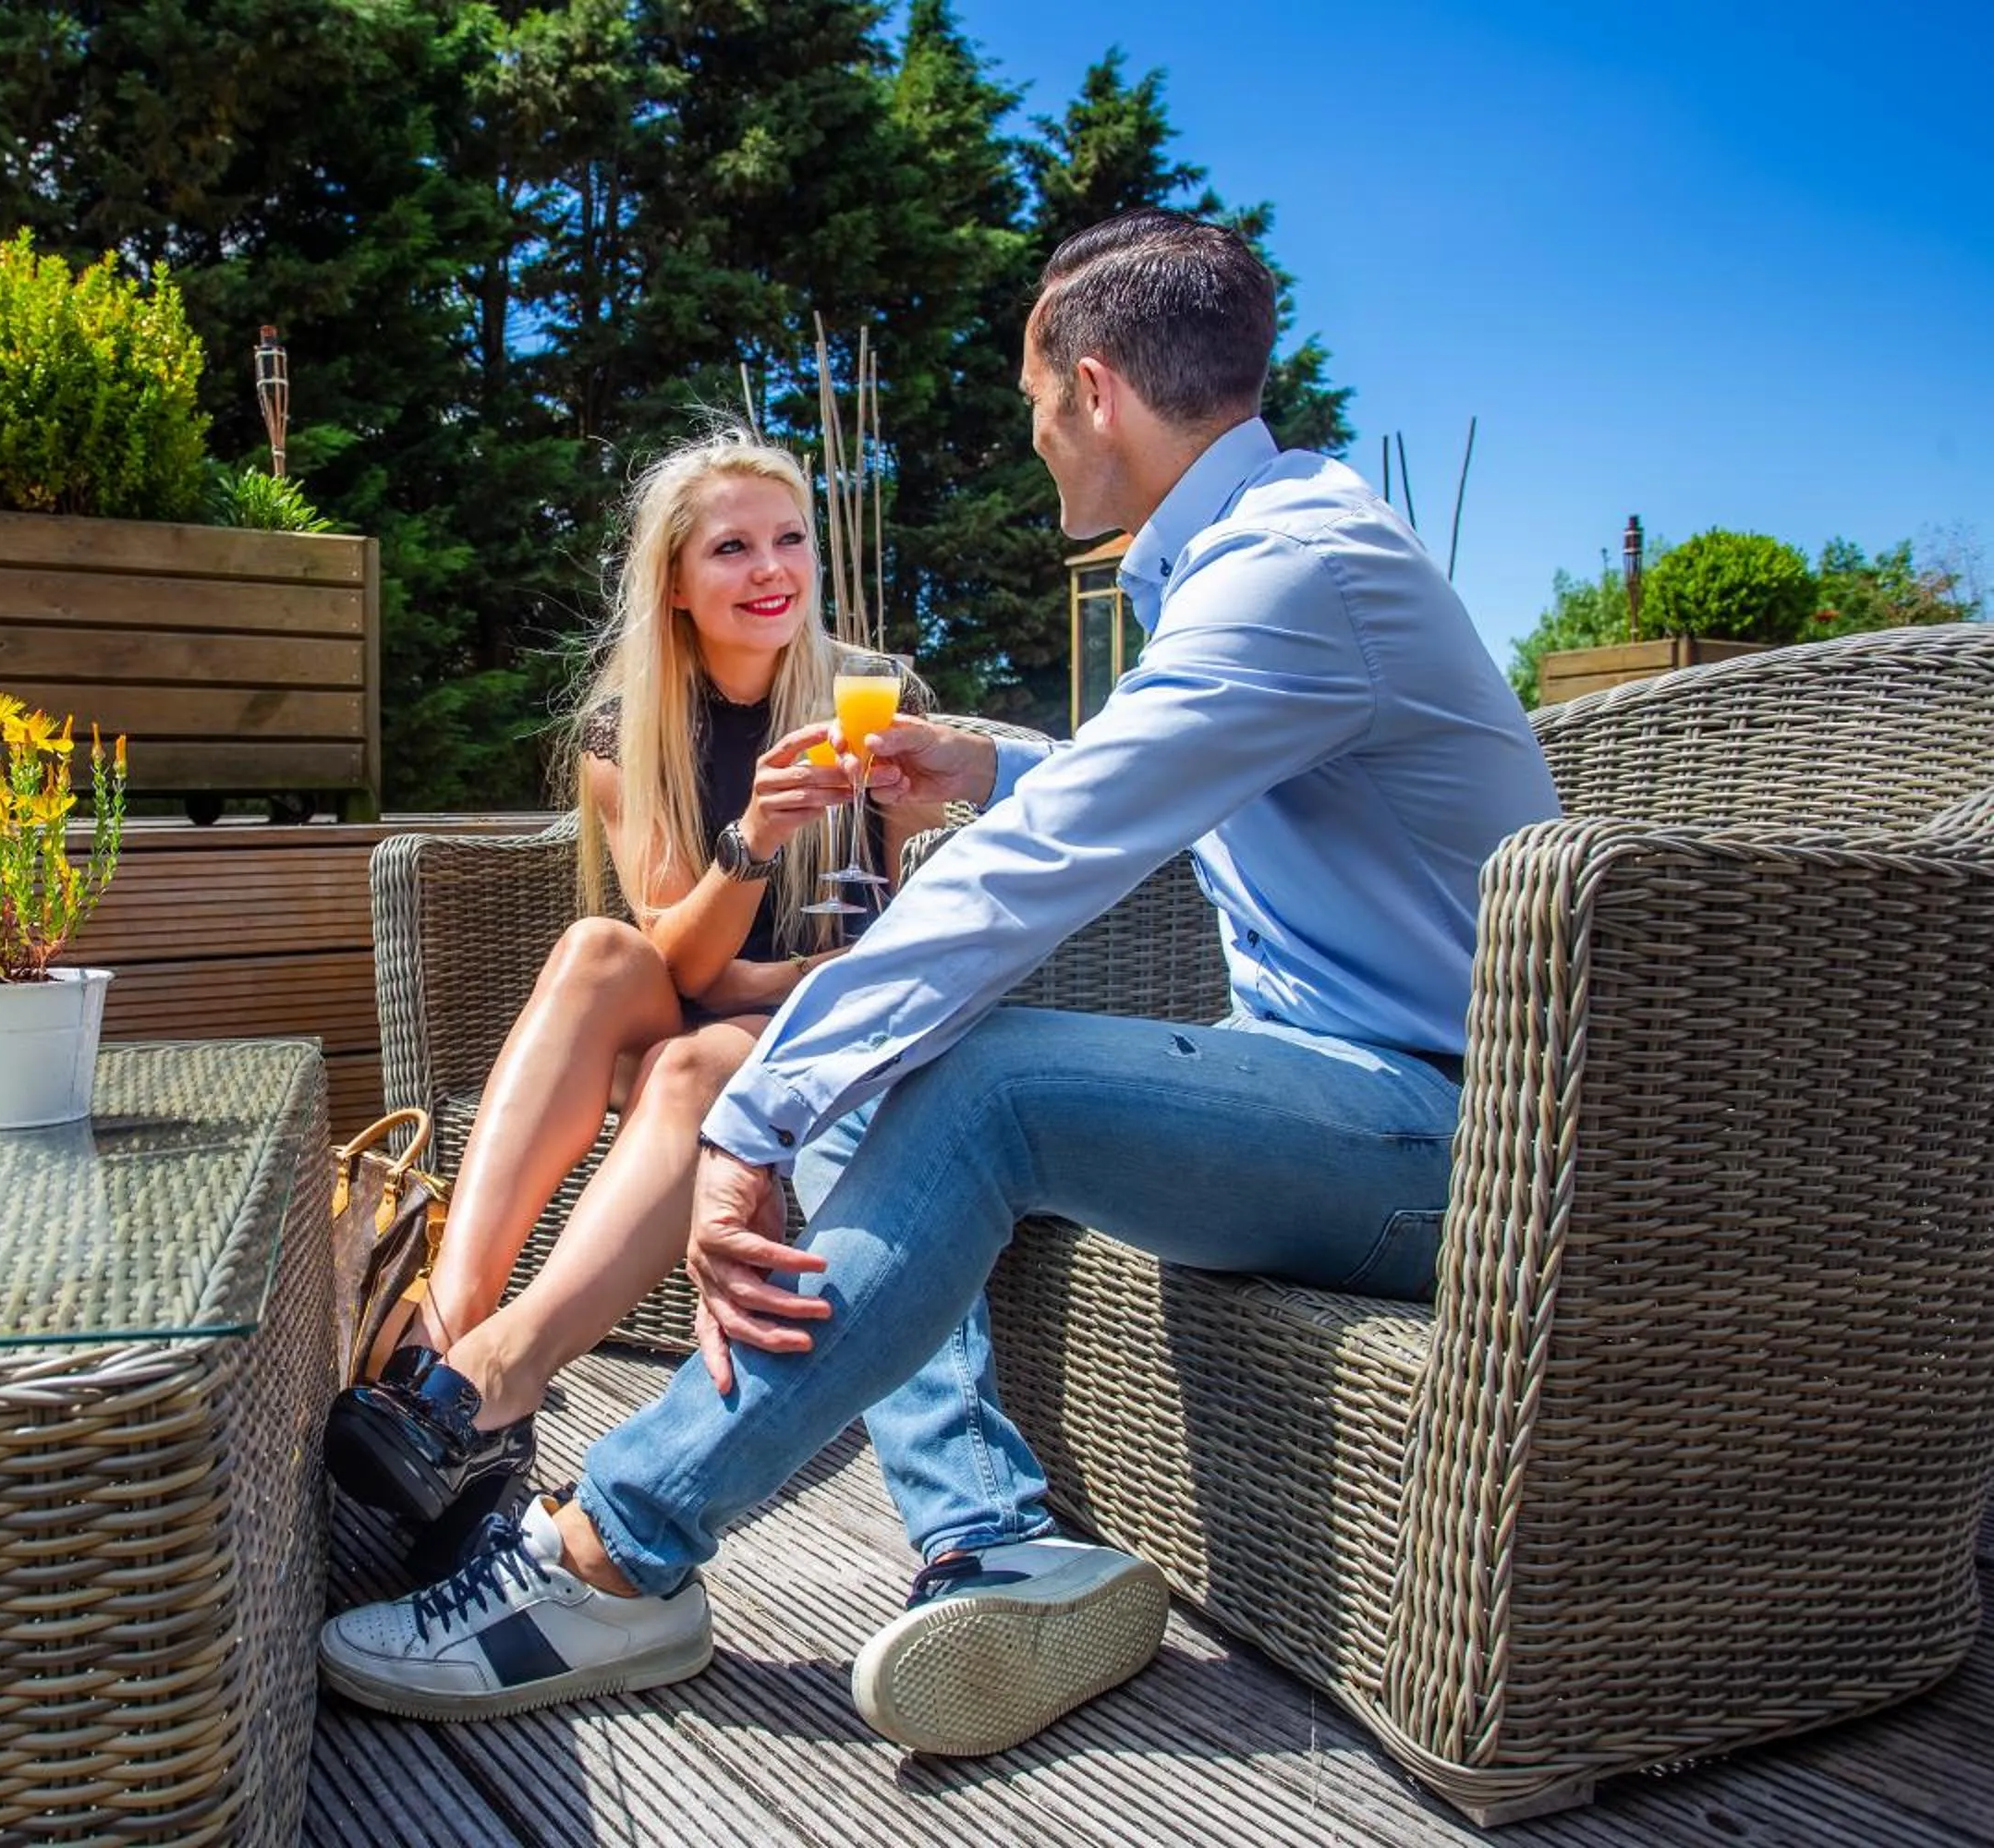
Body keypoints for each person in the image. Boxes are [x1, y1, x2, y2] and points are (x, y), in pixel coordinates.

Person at [317, 207, 1563, 1752]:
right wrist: (987, 757)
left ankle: (613, 1550)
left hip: (1453, 1146)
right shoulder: (1268, 558)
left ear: (1094, 390)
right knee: (895, 1062)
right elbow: (1143, 784)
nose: (1035, 438)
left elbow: (1035, 867)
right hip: (1342, 1096)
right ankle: (994, 1537)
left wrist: (751, 1122)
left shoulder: (1294, 573)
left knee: (971, 1075)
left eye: (1038, 402)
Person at [323, 429, 919, 1575]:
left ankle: (479, 1387)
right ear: (678, 585)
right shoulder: (625, 728)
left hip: (806, 1041)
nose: (770, 569)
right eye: (733, 547)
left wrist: (771, 967)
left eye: (789, 538)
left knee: (694, 1067)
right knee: (601, 947)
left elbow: (870, 950)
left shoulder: (869, 700)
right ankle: (450, 1341)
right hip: (698, 1003)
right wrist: (755, 841)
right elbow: (680, 963)